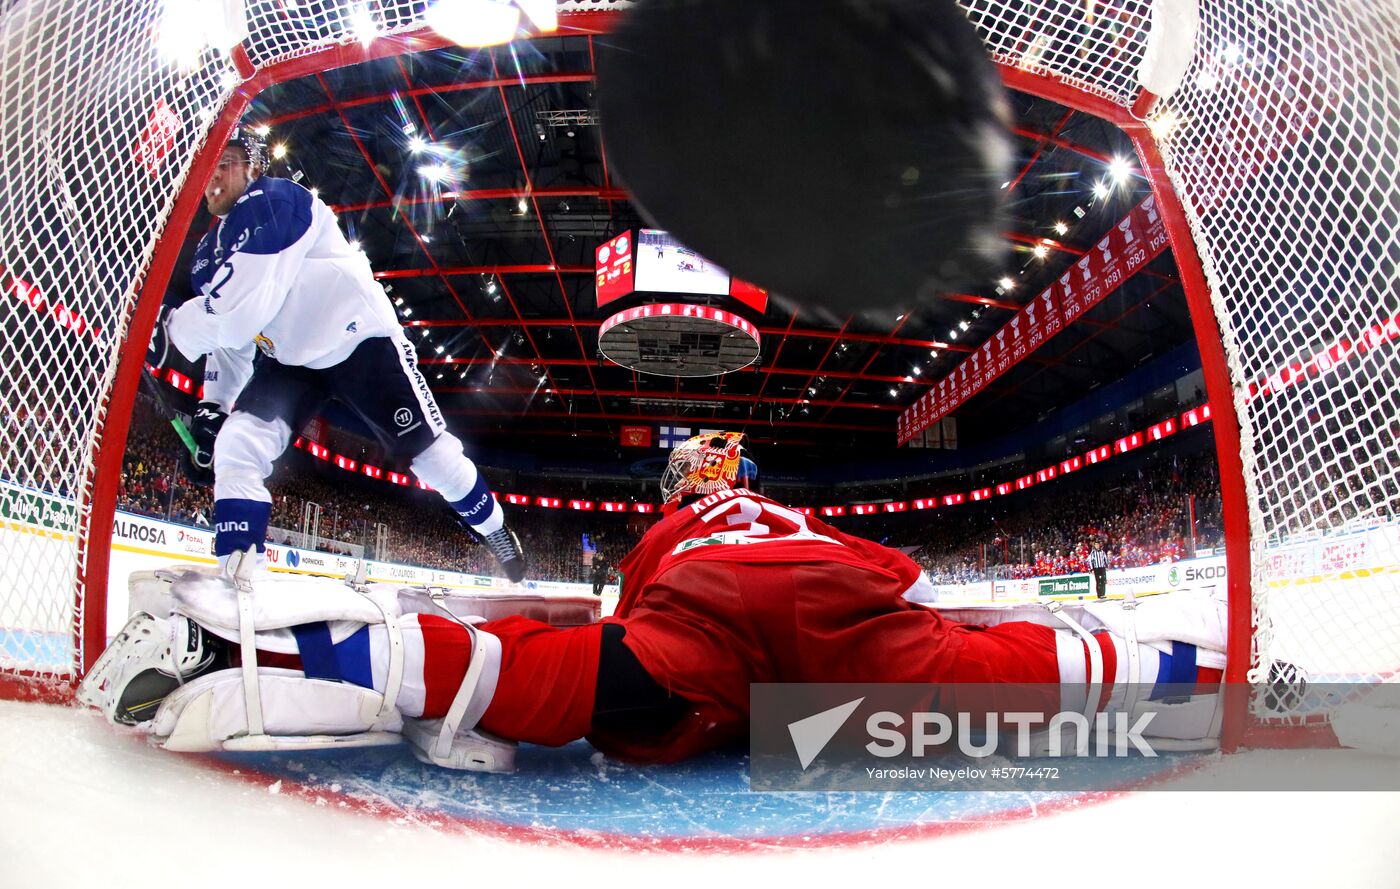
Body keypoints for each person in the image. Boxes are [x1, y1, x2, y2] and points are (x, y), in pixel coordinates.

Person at [80, 432, 1230, 770]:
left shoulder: (667, 530)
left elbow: (621, 619)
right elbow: (918, 588)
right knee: (999, 676)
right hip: (829, 599)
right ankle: (1200, 664)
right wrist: (928, 626)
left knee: (546, 674)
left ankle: (236, 645)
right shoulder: (784, 517)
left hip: (706, 614)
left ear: (679, 489)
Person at [145, 128, 525, 582]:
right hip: (289, 361)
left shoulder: (276, 201)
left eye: (225, 163)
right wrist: (213, 405)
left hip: (359, 341)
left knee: (434, 460)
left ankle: (494, 528)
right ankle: (238, 577)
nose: (212, 178)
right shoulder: (208, 254)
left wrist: (171, 331)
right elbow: (233, 339)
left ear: (253, 165)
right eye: (206, 168)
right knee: (236, 444)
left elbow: (240, 311)